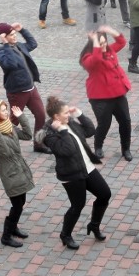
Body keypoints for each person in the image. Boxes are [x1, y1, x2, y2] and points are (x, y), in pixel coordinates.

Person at [39, 95, 111, 250]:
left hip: (87, 167)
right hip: (71, 174)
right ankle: (65, 235)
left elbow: (91, 130)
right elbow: (67, 150)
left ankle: (94, 225)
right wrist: (63, 131)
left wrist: (79, 114)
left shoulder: (69, 121)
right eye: (66, 113)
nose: (68, 115)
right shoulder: (50, 134)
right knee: (77, 205)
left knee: (105, 194)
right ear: (56, 117)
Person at [0, 99, 34, 248]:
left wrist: (21, 117)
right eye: (3, 110)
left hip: (20, 168)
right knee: (17, 205)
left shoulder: (9, 125)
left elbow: (28, 135)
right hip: (9, 171)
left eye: (7, 109)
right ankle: (6, 236)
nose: (7, 112)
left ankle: (13, 227)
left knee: (21, 202)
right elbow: (5, 153)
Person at [0, 22, 49, 154]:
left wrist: (23, 30)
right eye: (11, 35)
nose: (15, 36)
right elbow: (10, 64)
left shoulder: (19, 45)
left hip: (31, 88)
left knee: (41, 115)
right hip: (17, 92)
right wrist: (6, 44)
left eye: (14, 34)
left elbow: (33, 44)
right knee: (14, 121)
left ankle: (39, 144)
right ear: (4, 37)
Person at [80, 26, 133, 160]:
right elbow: (97, 60)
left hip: (118, 93)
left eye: (105, 43)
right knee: (104, 124)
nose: (104, 46)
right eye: (101, 44)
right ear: (94, 44)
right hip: (100, 97)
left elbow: (121, 42)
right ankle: (98, 146)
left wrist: (110, 31)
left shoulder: (109, 49)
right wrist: (96, 42)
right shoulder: (87, 58)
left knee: (125, 121)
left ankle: (126, 148)